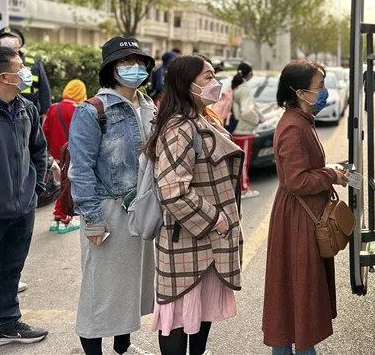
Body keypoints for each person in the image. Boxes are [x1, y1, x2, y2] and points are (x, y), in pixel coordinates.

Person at [145, 55, 243, 355]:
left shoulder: (203, 118)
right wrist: (216, 219)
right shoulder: (180, 127)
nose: (215, 83)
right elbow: (172, 190)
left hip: (206, 242)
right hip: (187, 239)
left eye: (214, 76)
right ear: (187, 86)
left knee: (200, 311)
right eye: (208, 78)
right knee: (177, 317)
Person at [68, 36, 157, 355]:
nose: (134, 68)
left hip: (141, 208)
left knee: (132, 286)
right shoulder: (92, 110)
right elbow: (80, 169)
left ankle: (123, 346)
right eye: (125, 62)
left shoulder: (149, 106)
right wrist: (93, 220)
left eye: (139, 62)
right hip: (107, 210)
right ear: (110, 69)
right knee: (101, 288)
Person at [263, 60, 348, 355]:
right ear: (300, 93)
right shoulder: (293, 126)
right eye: (320, 86)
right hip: (298, 217)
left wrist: (329, 170)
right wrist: (331, 175)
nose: (324, 92)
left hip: (302, 213)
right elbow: (297, 180)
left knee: (292, 291)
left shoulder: (301, 120)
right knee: (300, 289)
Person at [0, 46, 49, 346]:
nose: (26, 72)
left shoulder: (27, 108)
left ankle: (6, 323)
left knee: (11, 268)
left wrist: (36, 187)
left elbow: (39, 150)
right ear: (4, 76)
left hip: (23, 207)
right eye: (20, 67)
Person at [43, 79, 87, 233]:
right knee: (67, 186)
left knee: (62, 185)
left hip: (56, 155)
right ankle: (63, 217)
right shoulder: (79, 109)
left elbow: (44, 132)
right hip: (72, 155)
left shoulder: (53, 108)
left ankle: (57, 217)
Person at [232, 62, 263, 199]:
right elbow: (246, 111)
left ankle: (239, 188)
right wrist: (256, 120)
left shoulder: (236, 87)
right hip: (244, 130)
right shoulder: (245, 89)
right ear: (250, 73)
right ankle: (244, 189)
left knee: (238, 161)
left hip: (236, 129)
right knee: (243, 162)